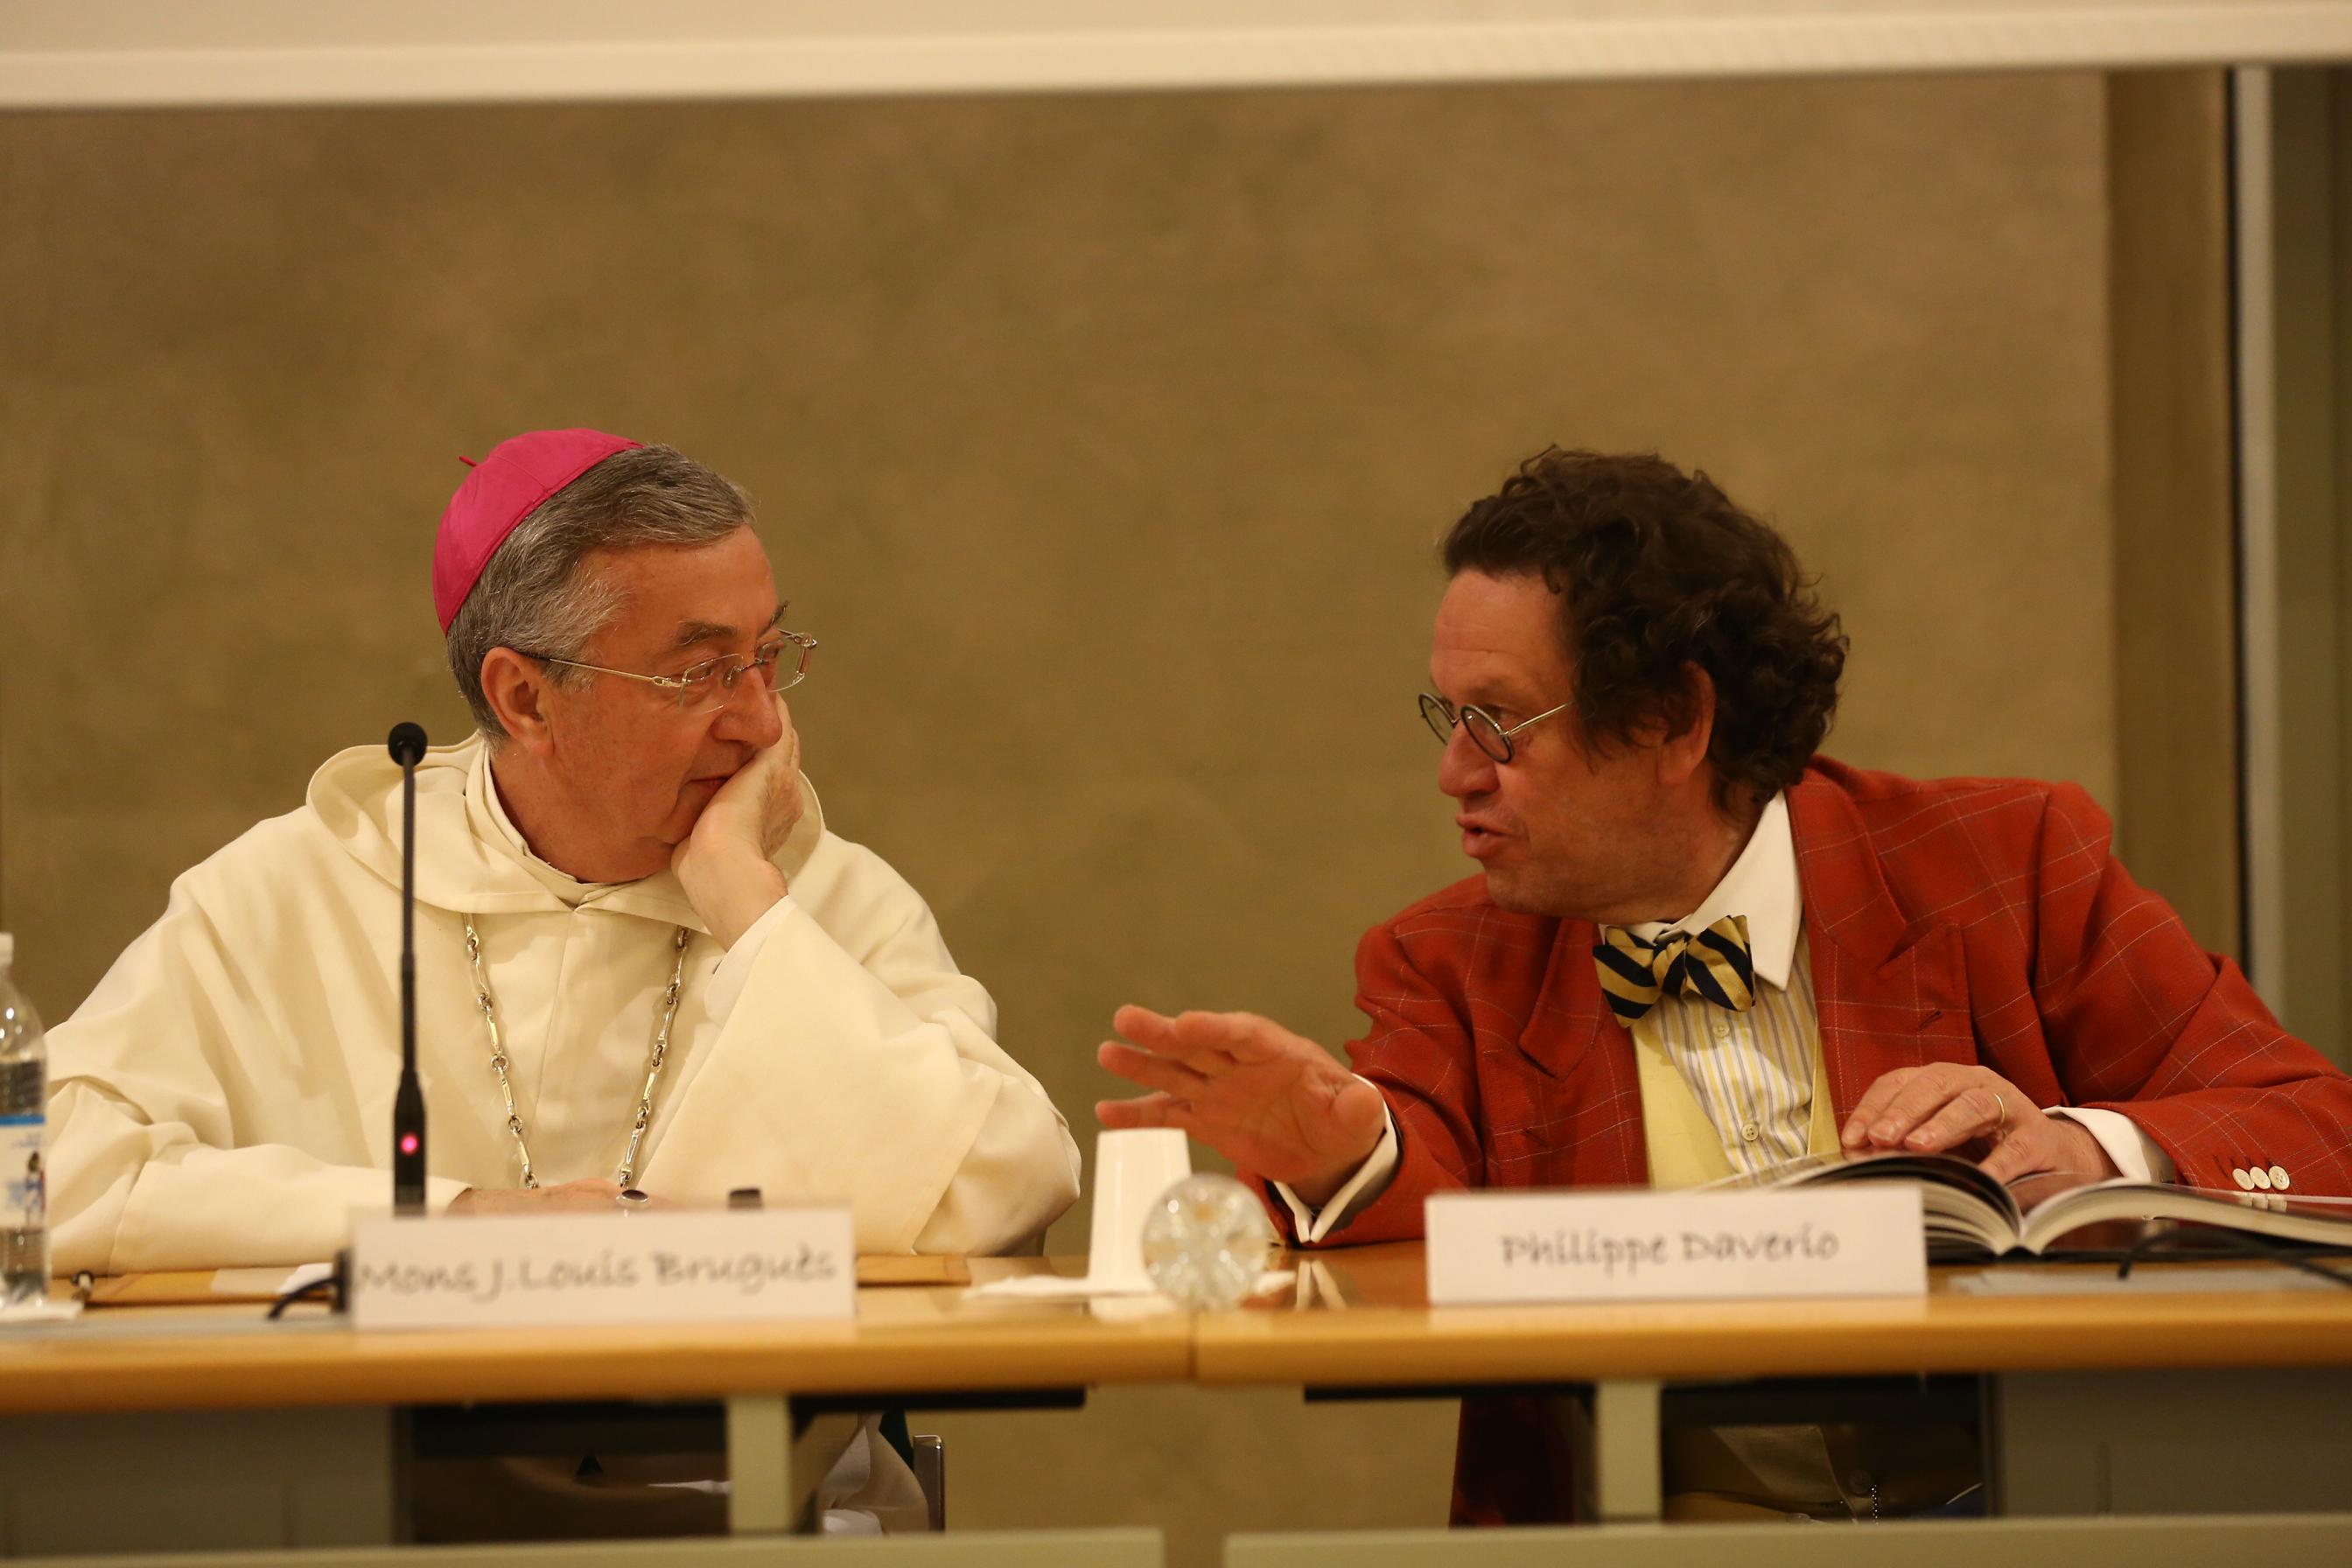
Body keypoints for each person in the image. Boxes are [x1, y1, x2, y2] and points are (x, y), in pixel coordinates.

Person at [1096, 446, 2352, 1522]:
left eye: (1502, 724)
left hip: (2032, 1524)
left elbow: (2314, 1124)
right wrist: (1342, 1148)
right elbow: (1421, 1198)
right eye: (1450, 716)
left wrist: (2086, 1150)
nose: (1456, 775)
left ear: (1671, 723)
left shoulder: (2009, 866)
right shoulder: (1449, 962)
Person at [47, 429, 1082, 1274]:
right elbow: (48, 1175)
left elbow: (1013, 1186)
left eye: (768, 657)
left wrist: (748, 912)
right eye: (702, 674)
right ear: (526, 699)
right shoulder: (295, 894)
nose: (764, 723)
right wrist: (450, 1223)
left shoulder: (822, 898)